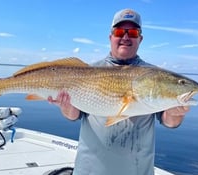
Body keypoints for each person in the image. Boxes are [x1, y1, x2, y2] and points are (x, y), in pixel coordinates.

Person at [48, 9, 190, 175]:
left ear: (140, 38)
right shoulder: (89, 70)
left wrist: (176, 113)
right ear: (111, 37)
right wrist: (65, 106)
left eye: (133, 32)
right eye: (120, 31)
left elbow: (170, 122)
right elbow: (74, 115)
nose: (125, 37)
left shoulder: (154, 76)